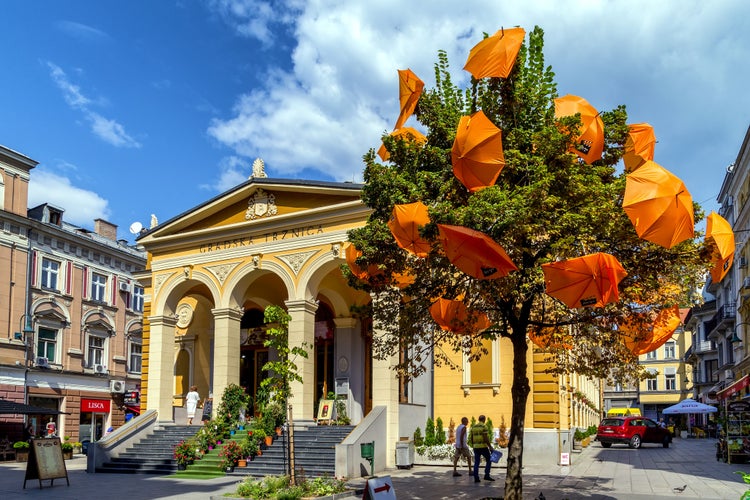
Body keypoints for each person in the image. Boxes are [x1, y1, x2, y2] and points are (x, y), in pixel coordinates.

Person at [470, 415, 494, 483]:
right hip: (483, 446)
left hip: (476, 447)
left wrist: (473, 445)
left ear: (478, 419)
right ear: (484, 419)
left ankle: (476, 477)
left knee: (476, 462)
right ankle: (486, 475)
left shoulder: (473, 427)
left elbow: (471, 437)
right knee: (489, 460)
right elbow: (485, 437)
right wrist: (490, 446)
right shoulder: (484, 426)